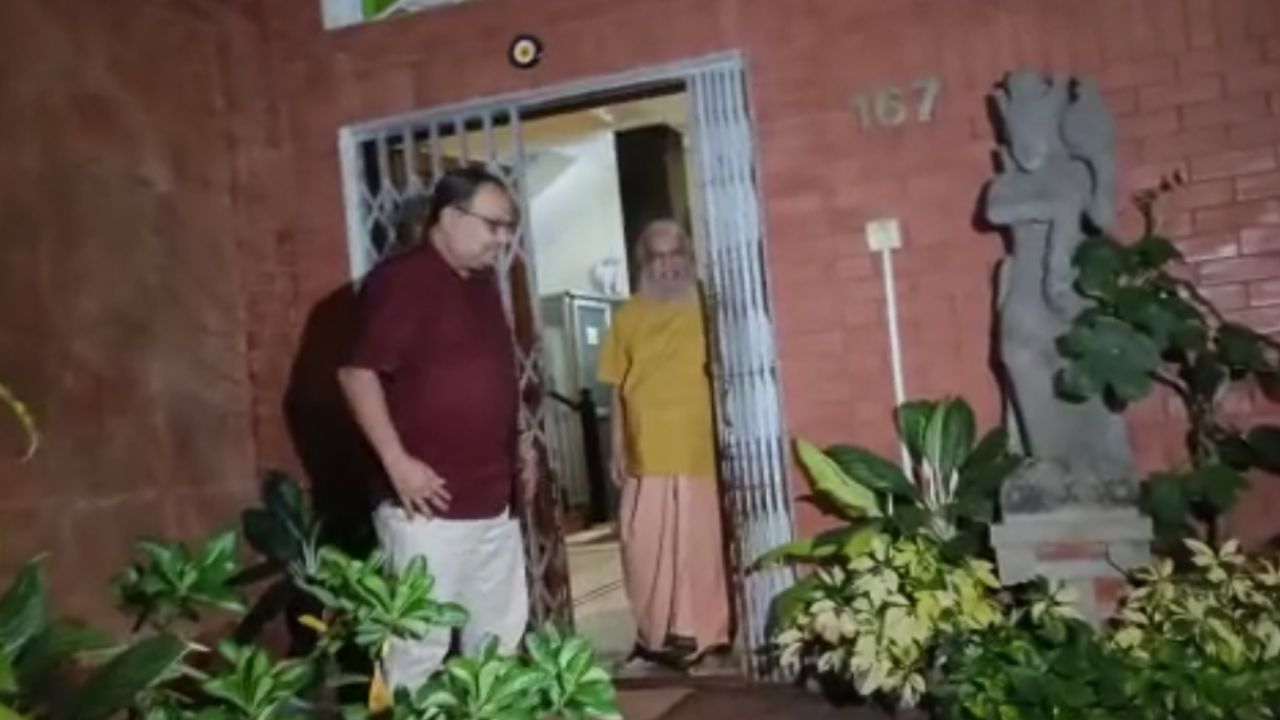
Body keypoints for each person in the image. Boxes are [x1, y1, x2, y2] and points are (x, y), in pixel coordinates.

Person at [338, 166, 537, 692]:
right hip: (426, 507)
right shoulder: (401, 281)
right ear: (448, 217)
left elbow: (493, 375)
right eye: (493, 225)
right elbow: (357, 373)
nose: (502, 239)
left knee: (497, 642)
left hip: (494, 502)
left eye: (508, 227)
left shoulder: (484, 285)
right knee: (416, 646)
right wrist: (397, 462)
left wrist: (520, 445)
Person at [597, 218, 733, 673]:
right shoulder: (628, 317)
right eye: (658, 257)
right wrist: (617, 447)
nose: (668, 265)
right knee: (642, 547)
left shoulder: (711, 309)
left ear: (689, 258)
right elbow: (617, 388)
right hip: (646, 452)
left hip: (698, 450)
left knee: (700, 547)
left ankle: (706, 637)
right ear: (644, 263)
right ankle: (652, 637)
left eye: (676, 254)